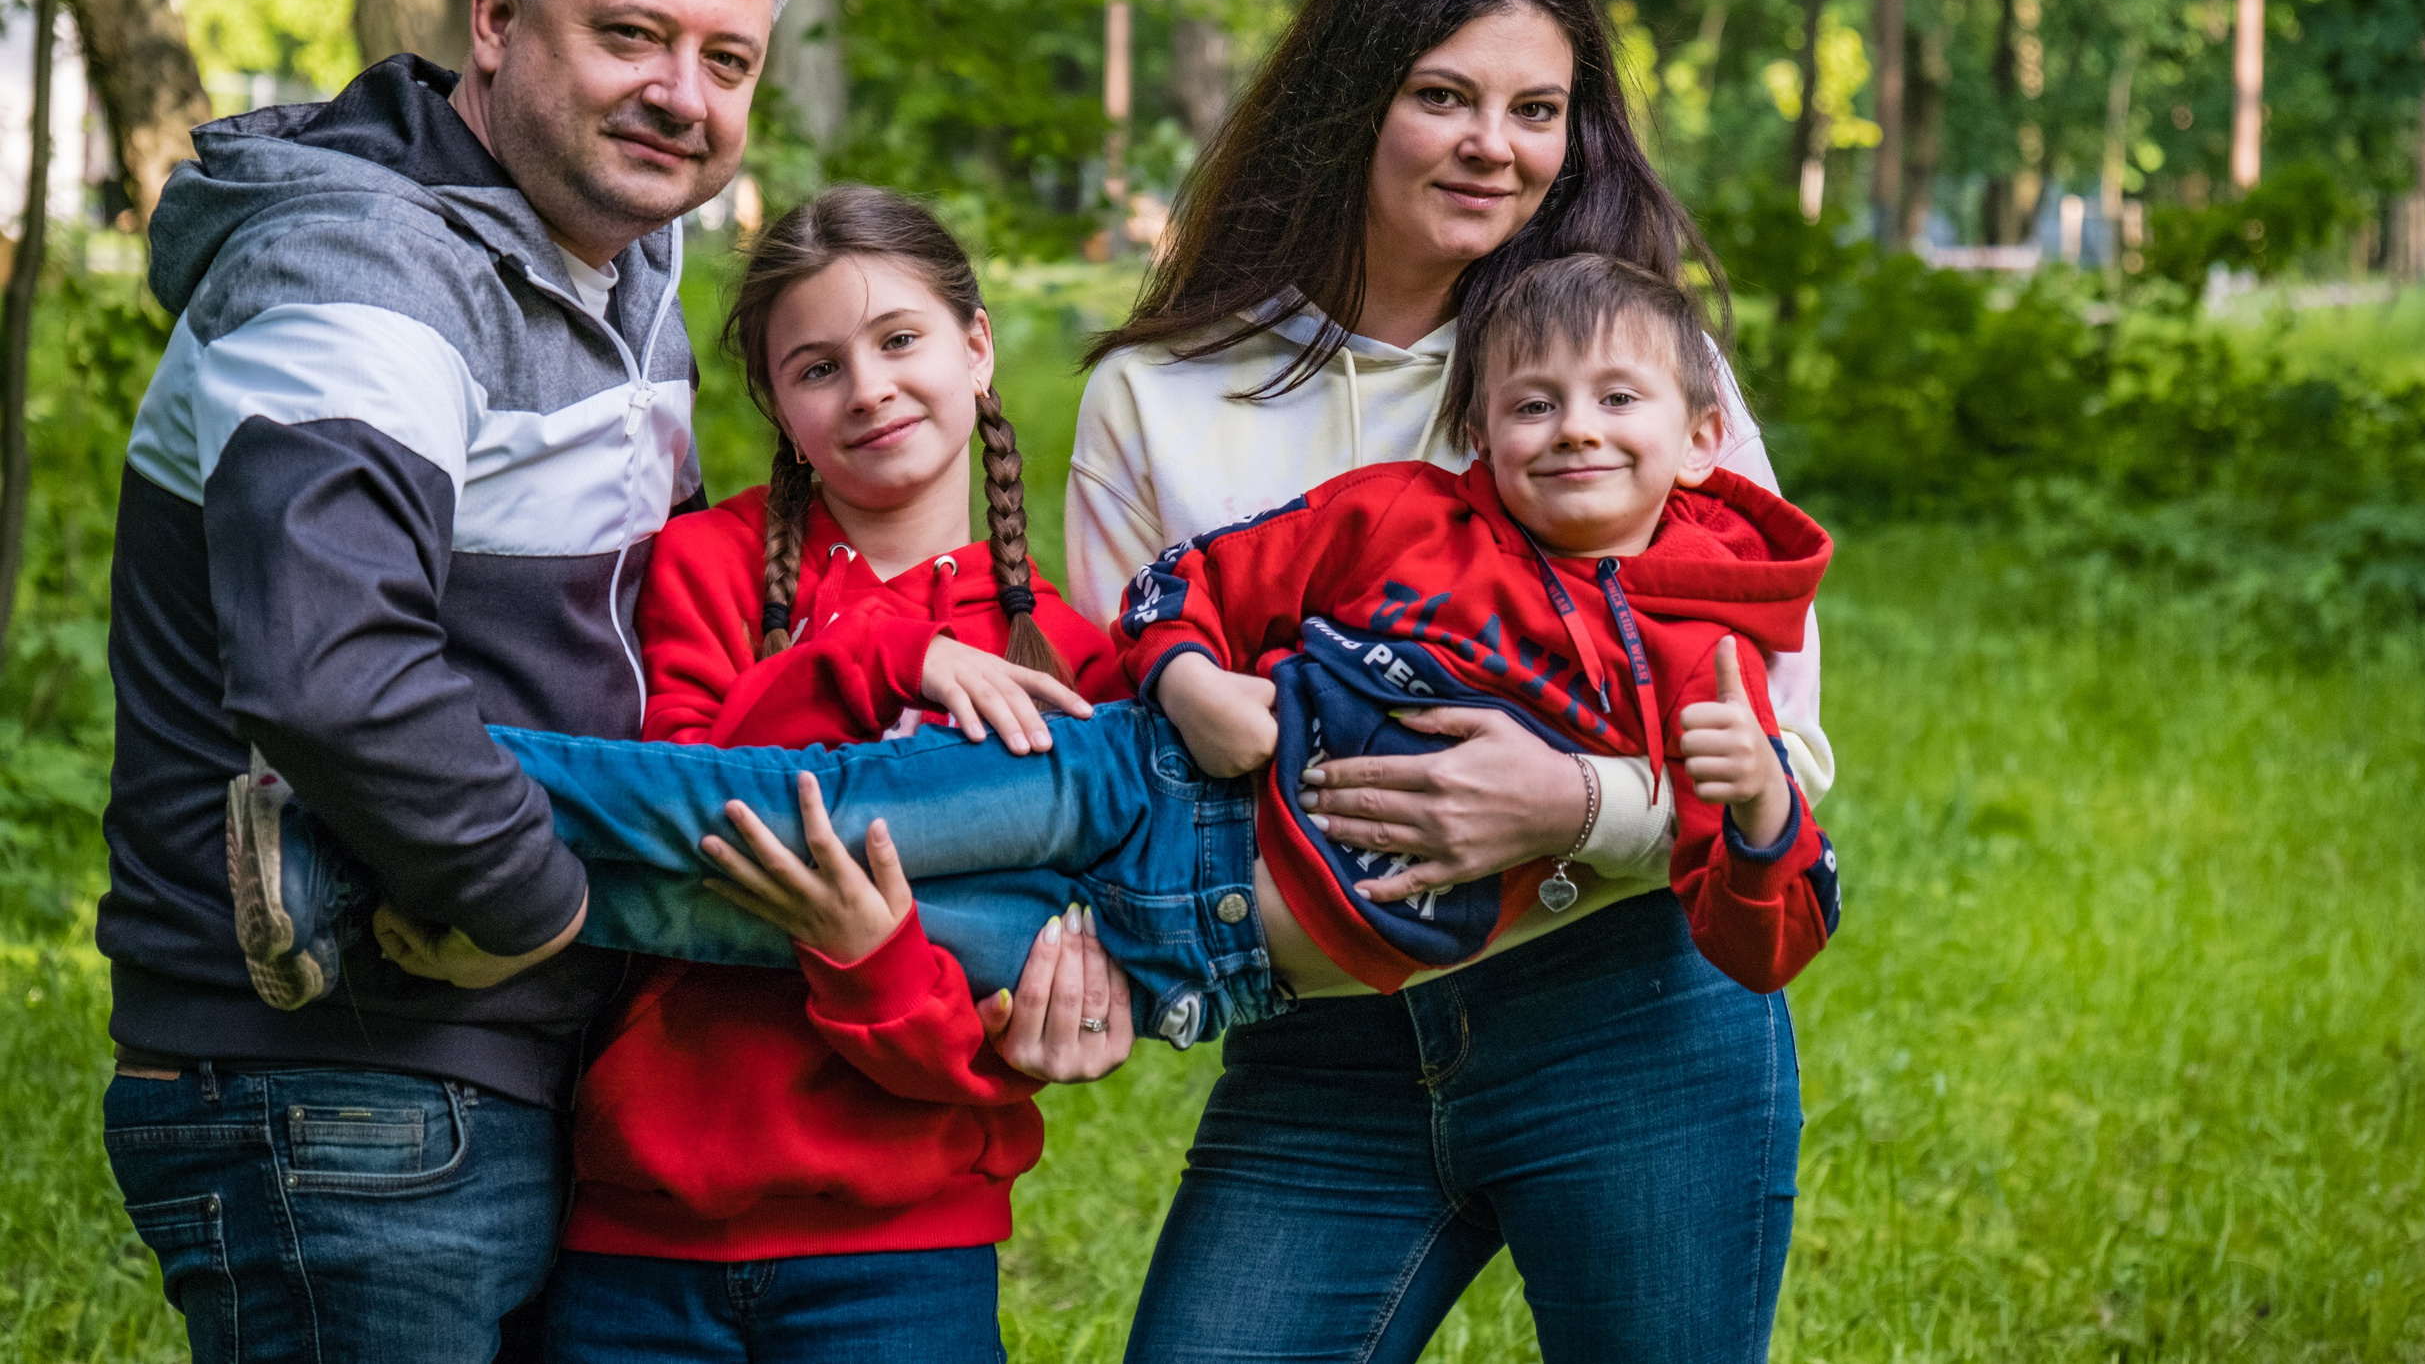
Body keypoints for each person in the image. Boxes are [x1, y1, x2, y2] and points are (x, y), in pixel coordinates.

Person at [94, 0, 1119, 1364]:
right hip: (341, 1065)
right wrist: (550, 911)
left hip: (499, 1070)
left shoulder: (610, 260)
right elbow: (331, 675)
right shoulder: (355, 273)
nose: (681, 94)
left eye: (726, 57)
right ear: (497, 20)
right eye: (629, 34)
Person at [300, 249, 1835, 1053]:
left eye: (1618, 402)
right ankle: (396, 773)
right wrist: (1187, 675)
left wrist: (1758, 810)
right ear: (1481, 428)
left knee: (786, 916)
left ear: (1706, 436)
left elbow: (1764, 934)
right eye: (1533, 403)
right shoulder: (1400, 517)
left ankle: (438, 886)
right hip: (1123, 769)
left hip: (1192, 940)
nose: (1573, 428)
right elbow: (1190, 582)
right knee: (804, 814)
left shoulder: (1714, 664)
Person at [1066, 0, 1829, 1361]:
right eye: (1444, 95)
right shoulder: (1158, 398)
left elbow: (1784, 742)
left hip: (1632, 1008)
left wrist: (1581, 799)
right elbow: (1125, 743)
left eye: (1537, 108)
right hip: (1321, 1037)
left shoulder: (1624, 380)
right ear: (1352, 97)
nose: (1497, 144)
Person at [531, 186, 1132, 1362]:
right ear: (777, 407)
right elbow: (678, 812)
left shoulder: (1066, 662)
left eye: (899, 340)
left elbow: (1008, 988)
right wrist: (884, 651)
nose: (867, 389)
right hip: (636, 1232)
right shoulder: (706, 562)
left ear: (976, 346)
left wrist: (886, 969)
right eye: (817, 368)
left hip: (902, 1244)